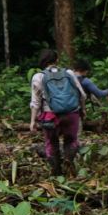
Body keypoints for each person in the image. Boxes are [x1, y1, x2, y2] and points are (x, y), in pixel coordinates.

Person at [30, 48, 87, 176]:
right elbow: (81, 95)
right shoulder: (69, 73)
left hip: (50, 116)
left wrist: (33, 121)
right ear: (57, 60)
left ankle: (57, 174)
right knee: (71, 140)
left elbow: (35, 102)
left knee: (51, 145)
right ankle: (68, 161)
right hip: (71, 113)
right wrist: (82, 110)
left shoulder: (38, 76)